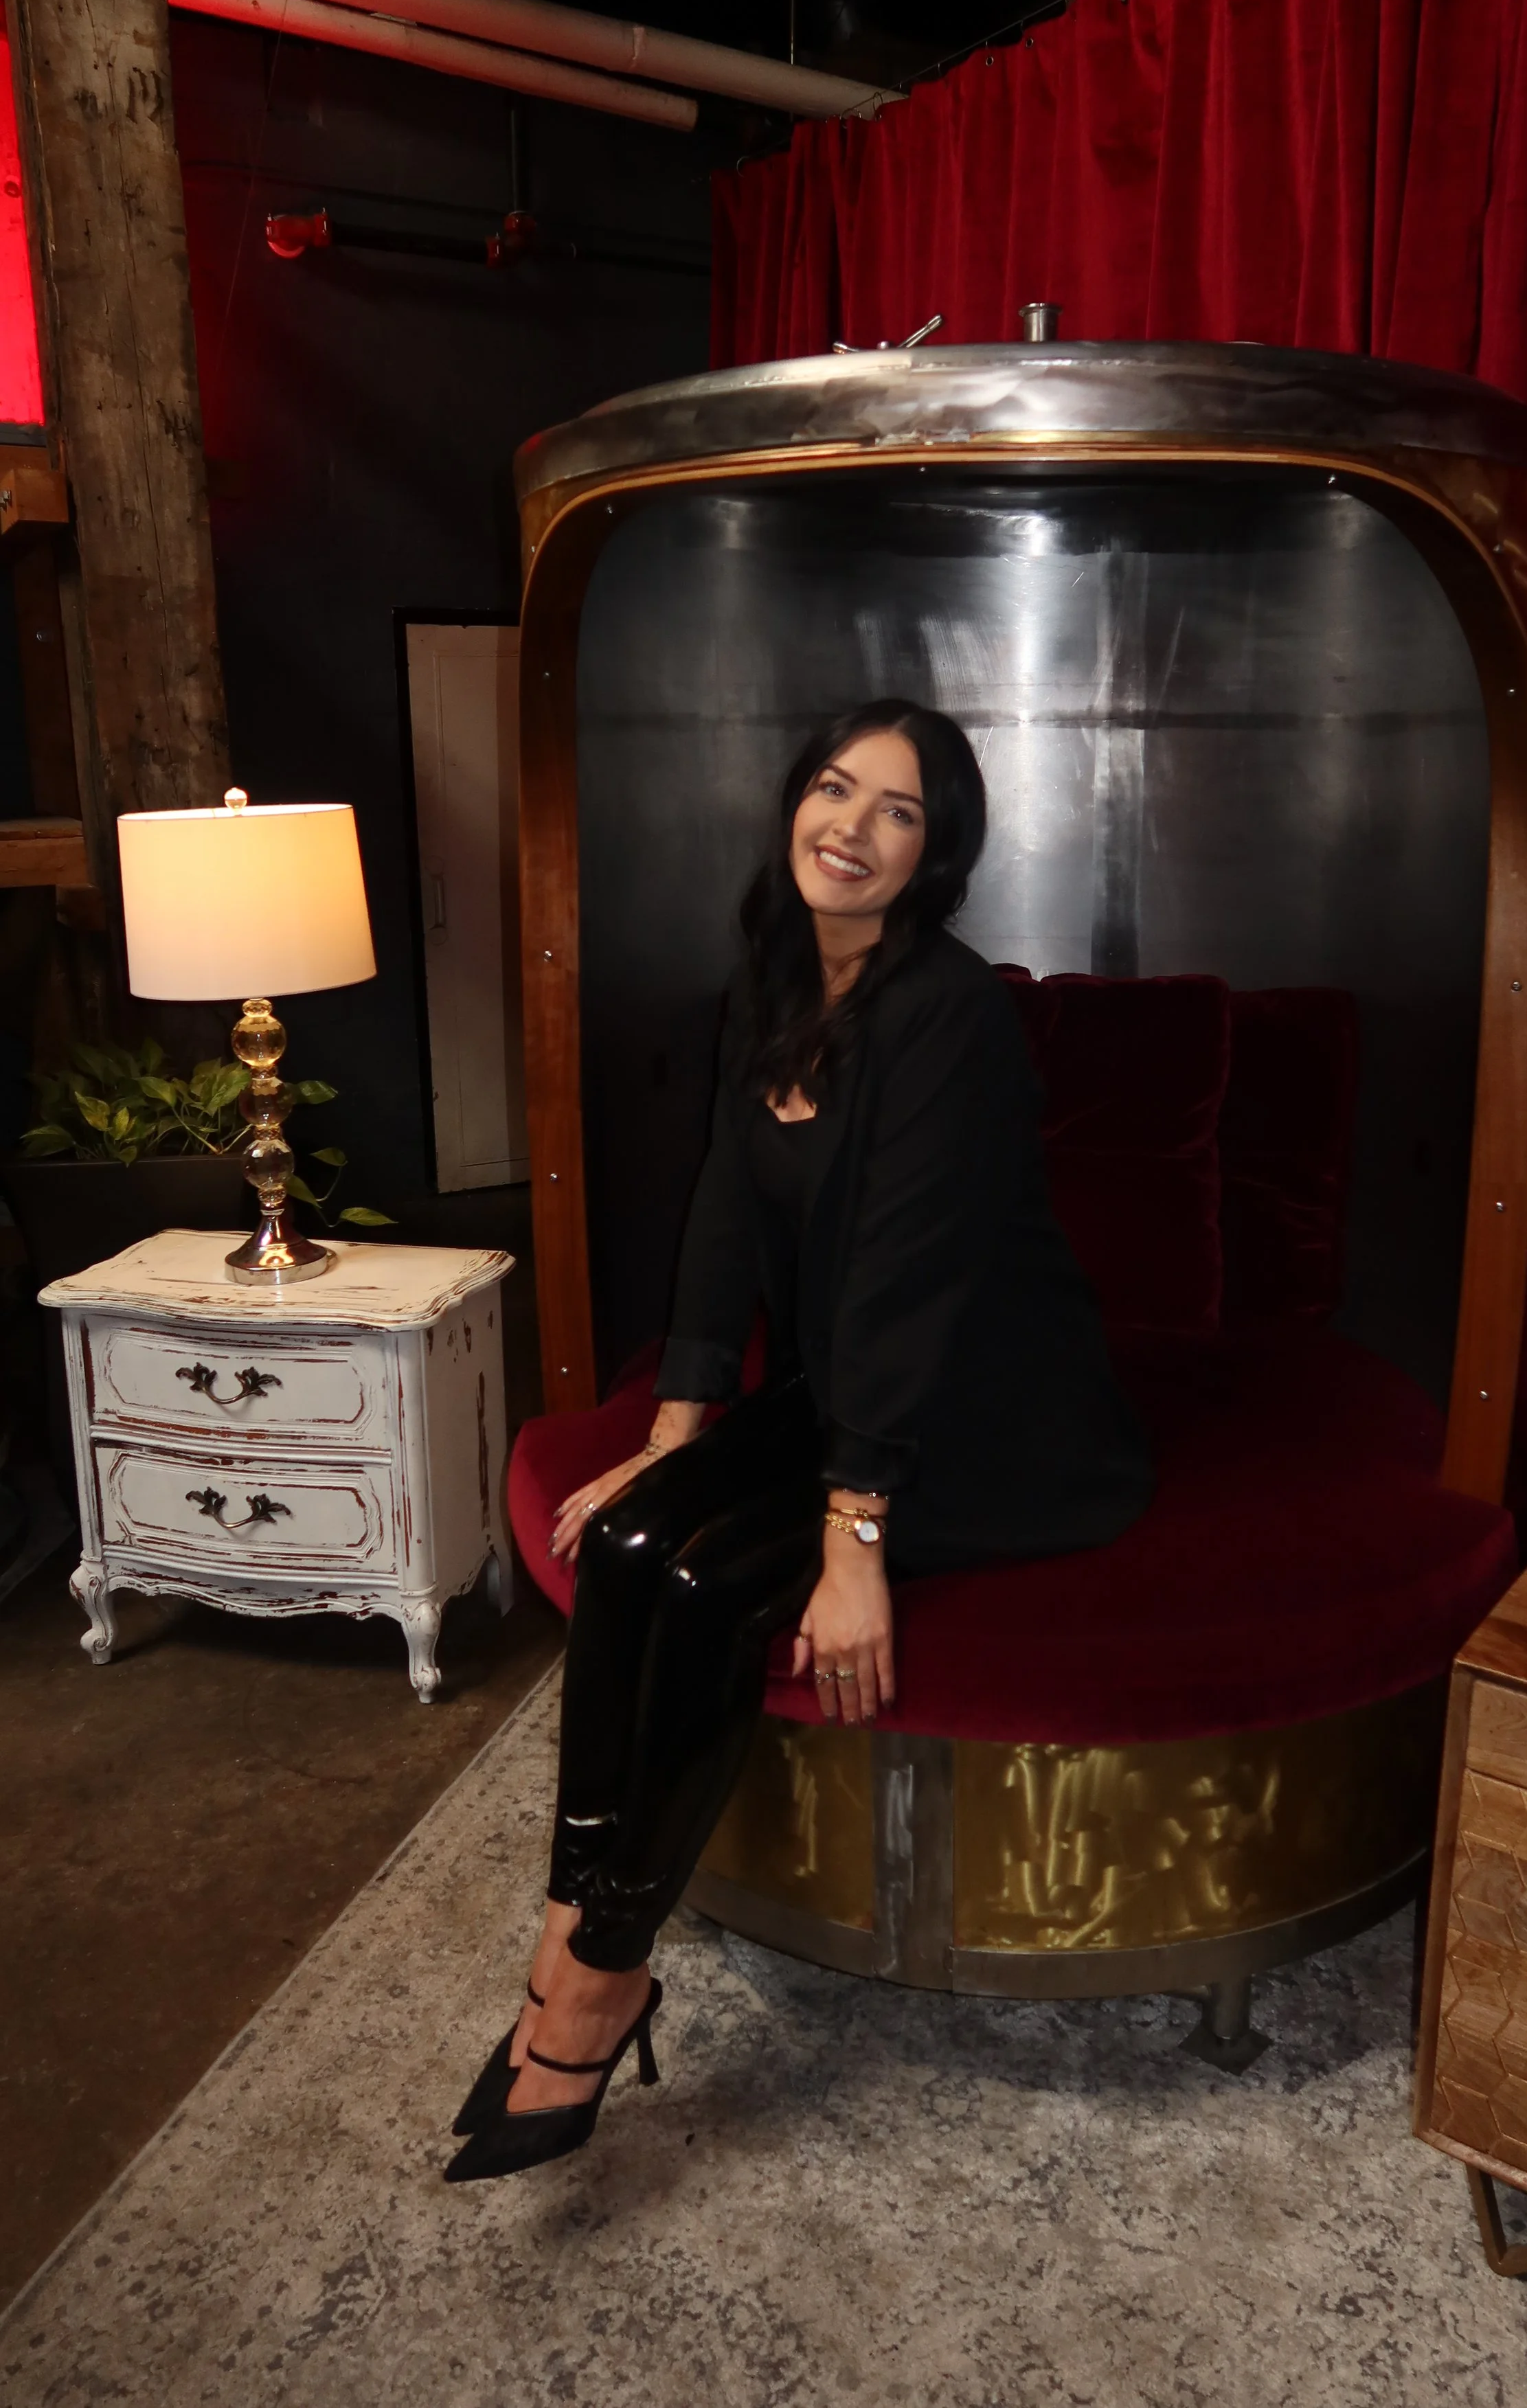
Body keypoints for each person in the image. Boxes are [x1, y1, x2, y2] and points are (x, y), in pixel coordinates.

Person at [445, 697, 1151, 2182]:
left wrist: (854, 1542)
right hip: (855, 1392)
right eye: (835, 789)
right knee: (641, 1535)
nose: (852, 825)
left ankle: (593, 1976)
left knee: (700, 1585)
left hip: (995, 1418)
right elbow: (719, 1204)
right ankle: (585, 1920)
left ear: (931, 853)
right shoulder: (771, 980)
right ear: (794, 806)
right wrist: (675, 1434)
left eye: (895, 810)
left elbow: (906, 1280)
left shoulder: (948, 1014)